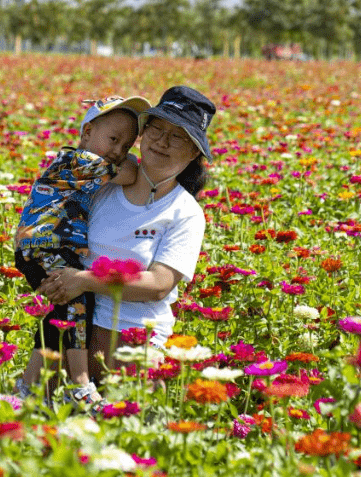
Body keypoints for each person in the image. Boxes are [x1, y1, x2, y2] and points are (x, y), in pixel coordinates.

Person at [36, 86, 215, 384]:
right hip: (71, 336)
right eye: (157, 129)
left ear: (195, 150)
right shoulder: (102, 185)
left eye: (177, 136)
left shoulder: (186, 213)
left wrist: (82, 280)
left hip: (136, 349)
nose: (162, 141)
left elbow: (158, 285)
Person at [12, 95, 151, 404]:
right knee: (78, 300)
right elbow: (131, 175)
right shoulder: (81, 162)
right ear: (87, 132)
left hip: (39, 246)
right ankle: (80, 384)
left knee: (58, 312)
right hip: (47, 244)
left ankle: (27, 387)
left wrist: (122, 154)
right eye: (113, 139)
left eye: (126, 146)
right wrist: (129, 160)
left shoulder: (80, 162)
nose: (117, 151)